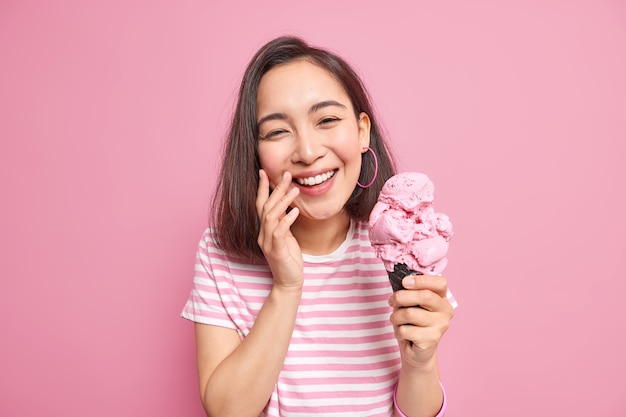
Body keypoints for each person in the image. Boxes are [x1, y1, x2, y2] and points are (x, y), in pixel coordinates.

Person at [182, 35, 456, 417]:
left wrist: (420, 362)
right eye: (278, 131)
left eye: (327, 120)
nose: (308, 152)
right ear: (255, 151)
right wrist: (286, 285)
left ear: (362, 131)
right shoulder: (220, 254)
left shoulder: (401, 243)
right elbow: (227, 410)